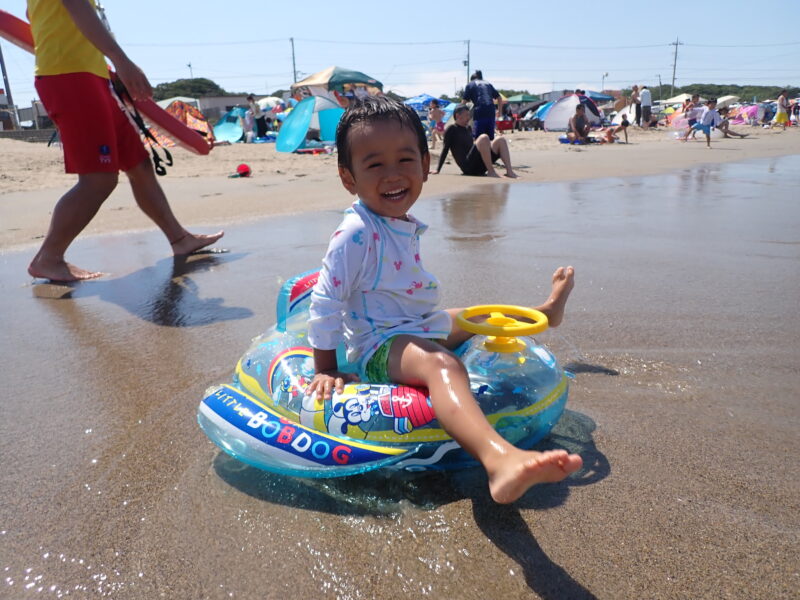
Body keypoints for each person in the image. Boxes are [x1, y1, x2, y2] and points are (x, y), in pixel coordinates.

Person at [305, 96, 582, 504]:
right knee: (442, 364)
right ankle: (499, 459)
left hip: (417, 325)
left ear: (424, 163)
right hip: (379, 346)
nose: (393, 175)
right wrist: (326, 368)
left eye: (405, 160)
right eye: (375, 164)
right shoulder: (356, 232)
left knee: (478, 315)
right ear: (349, 178)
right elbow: (326, 300)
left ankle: (544, 312)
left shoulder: (396, 221)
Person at [26, 0, 223, 282]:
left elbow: (40, 16)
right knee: (98, 179)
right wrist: (121, 59)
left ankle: (179, 238)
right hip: (68, 75)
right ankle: (49, 257)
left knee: (139, 164)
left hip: (93, 76)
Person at [433, 105, 517, 177]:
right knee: (484, 137)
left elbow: (473, 148)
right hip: (468, 167)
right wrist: (438, 169)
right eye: (467, 115)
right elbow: (445, 149)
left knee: (500, 140)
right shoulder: (451, 129)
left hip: (479, 165)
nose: (469, 118)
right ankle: (491, 172)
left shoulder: (468, 128)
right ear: (458, 116)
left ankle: (509, 171)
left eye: (469, 115)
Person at [462, 70, 502, 140]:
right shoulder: (488, 84)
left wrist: (460, 115)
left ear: (472, 79)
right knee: (490, 139)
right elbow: (499, 98)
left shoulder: (470, 84)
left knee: (479, 139)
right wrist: (500, 112)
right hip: (491, 112)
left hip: (480, 112)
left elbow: (463, 102)